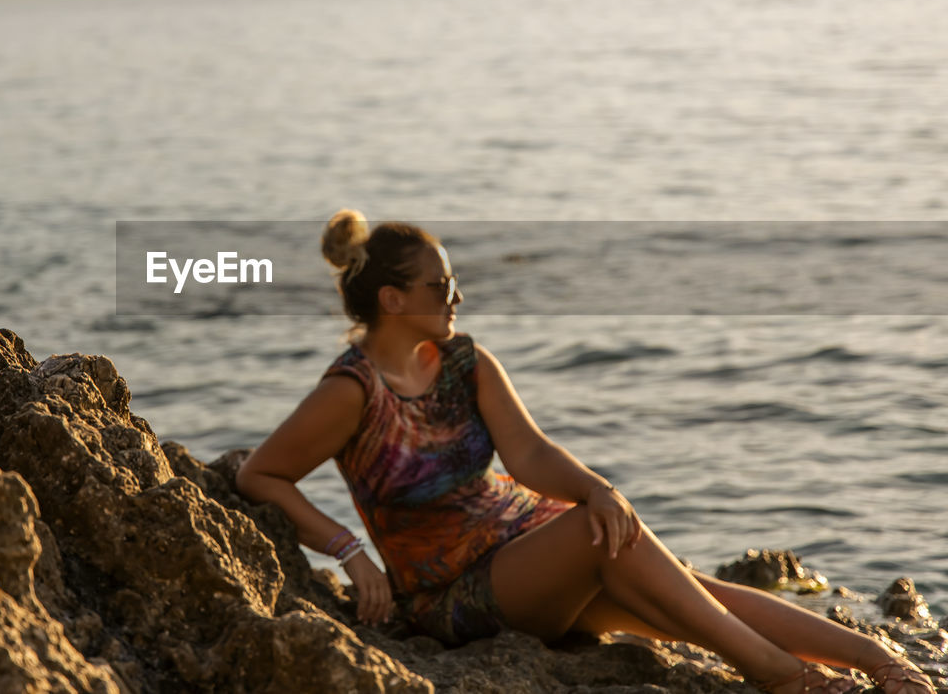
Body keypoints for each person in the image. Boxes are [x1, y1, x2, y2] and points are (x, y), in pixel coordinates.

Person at [235, 210, 936, 694]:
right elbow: (262, 472)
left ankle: (879, 659)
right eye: (440, 285)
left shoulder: (464, 361)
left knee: (689, 588)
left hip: (528, 548)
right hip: (452, 596)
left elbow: (531, 456)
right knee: (601, 538)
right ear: (392, 298)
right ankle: (783, 676)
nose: (456, 295)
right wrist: (348, 550)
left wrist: (599, 487)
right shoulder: (351, 391)